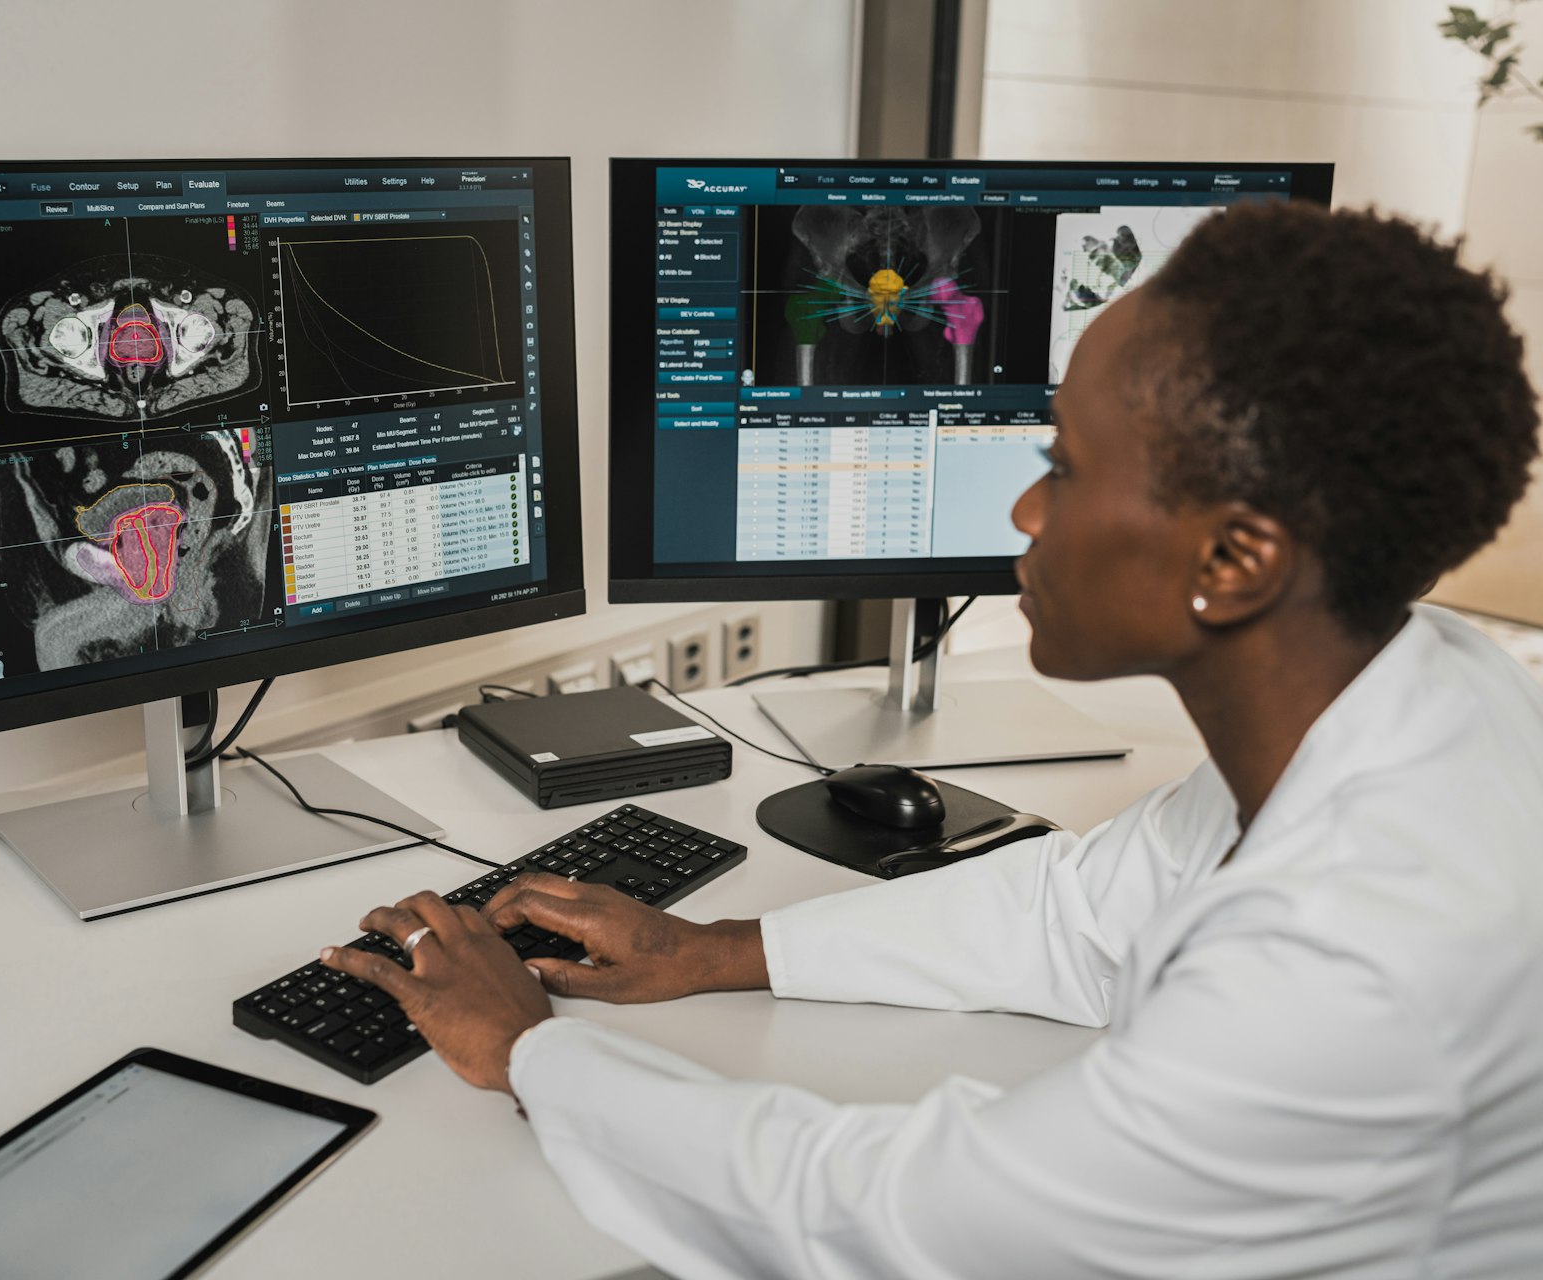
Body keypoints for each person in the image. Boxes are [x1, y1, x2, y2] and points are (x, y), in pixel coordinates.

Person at [321, 202, 1543, 1277]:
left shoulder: (1358, 957)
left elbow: (906, 1223)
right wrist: (707, 948)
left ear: (1233, 560)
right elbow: (1076, 913)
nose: (1021, 509)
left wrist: (532, 1054)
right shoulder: (1408, 686)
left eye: (1063, 466)